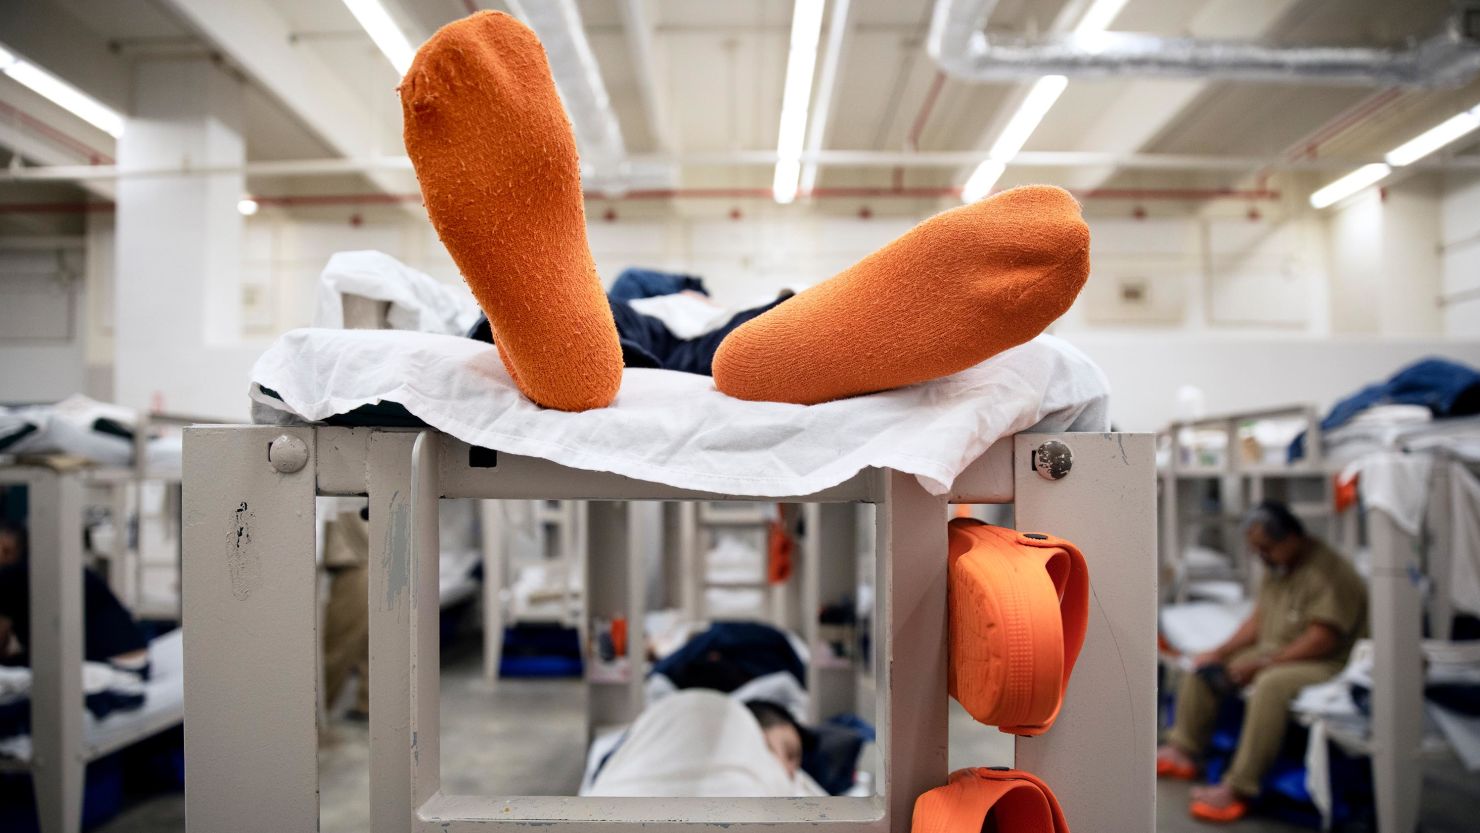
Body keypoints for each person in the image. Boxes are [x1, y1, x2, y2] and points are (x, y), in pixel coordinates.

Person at [1156, 501, 1368, 823]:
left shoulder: (1330, 573)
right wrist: (1219, 652)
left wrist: (1263, 664)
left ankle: (1240, 786)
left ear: (1291, 538)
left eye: (1266, 548)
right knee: (1204, 667)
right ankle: (1185, 749)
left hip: (1326, 661)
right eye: (1257, 550)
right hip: (1279, 651)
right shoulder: (1277, 566)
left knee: (1270, 686)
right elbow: (1257, 622)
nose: (1262, 556)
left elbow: (1321, 640)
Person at [0, 520, 151, 676]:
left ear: (7, 550)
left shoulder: (11, 577)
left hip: (110, 666)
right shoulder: (54, 566)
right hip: (137, 662)